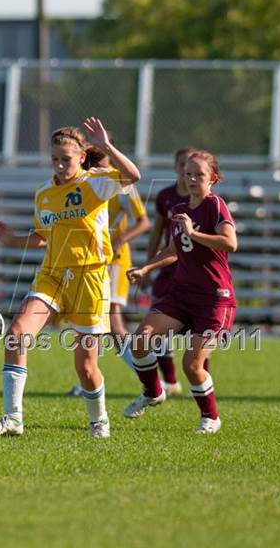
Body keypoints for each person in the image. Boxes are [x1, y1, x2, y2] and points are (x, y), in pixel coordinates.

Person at [0, 117, 141, 438]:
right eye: (54, 159)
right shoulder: (43, 194)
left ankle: (99, 421)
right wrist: (12, 239)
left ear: (81, 157)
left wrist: (106, 145)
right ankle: (13, 419)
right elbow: (43, 237)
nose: (59, 165)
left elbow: (134, 176)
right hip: (52, 275)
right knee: (16, 334)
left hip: (90, 279)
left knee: (85, 368)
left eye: (65, 159)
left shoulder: (96, 182)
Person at [125, 150, 237, 434]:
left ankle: (210, 418)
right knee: (140, 341)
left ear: (213, 178)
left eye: (199, 174)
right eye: (188, 174)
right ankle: (153, 392)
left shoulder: (216, 205)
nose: (192, 179)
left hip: (214, 299)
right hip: (182, 295)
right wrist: (146, 268)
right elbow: (173, 250)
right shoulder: (179, 209)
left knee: (192, 364)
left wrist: (194, 233)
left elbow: (230, 242)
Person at [67, 143, 150, 396]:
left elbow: (144, 222)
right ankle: (89, 378)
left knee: (113, 322)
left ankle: (149, 379)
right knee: (94, 322)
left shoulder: (121, 185)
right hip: (92, 259)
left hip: (114, 259)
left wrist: (119, 240)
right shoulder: (88, 183)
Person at [146, 147, 210, 396]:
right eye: (183, 165)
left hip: (195, 274)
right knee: (157, 328)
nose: (188, 172)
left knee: (199, 335)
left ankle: (201, 375)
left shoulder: (208, 202)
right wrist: (148, 264)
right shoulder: (166, 197)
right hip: (169, 268)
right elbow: (158, 232)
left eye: (193, 167)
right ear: (177, 168)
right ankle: (170, 381)